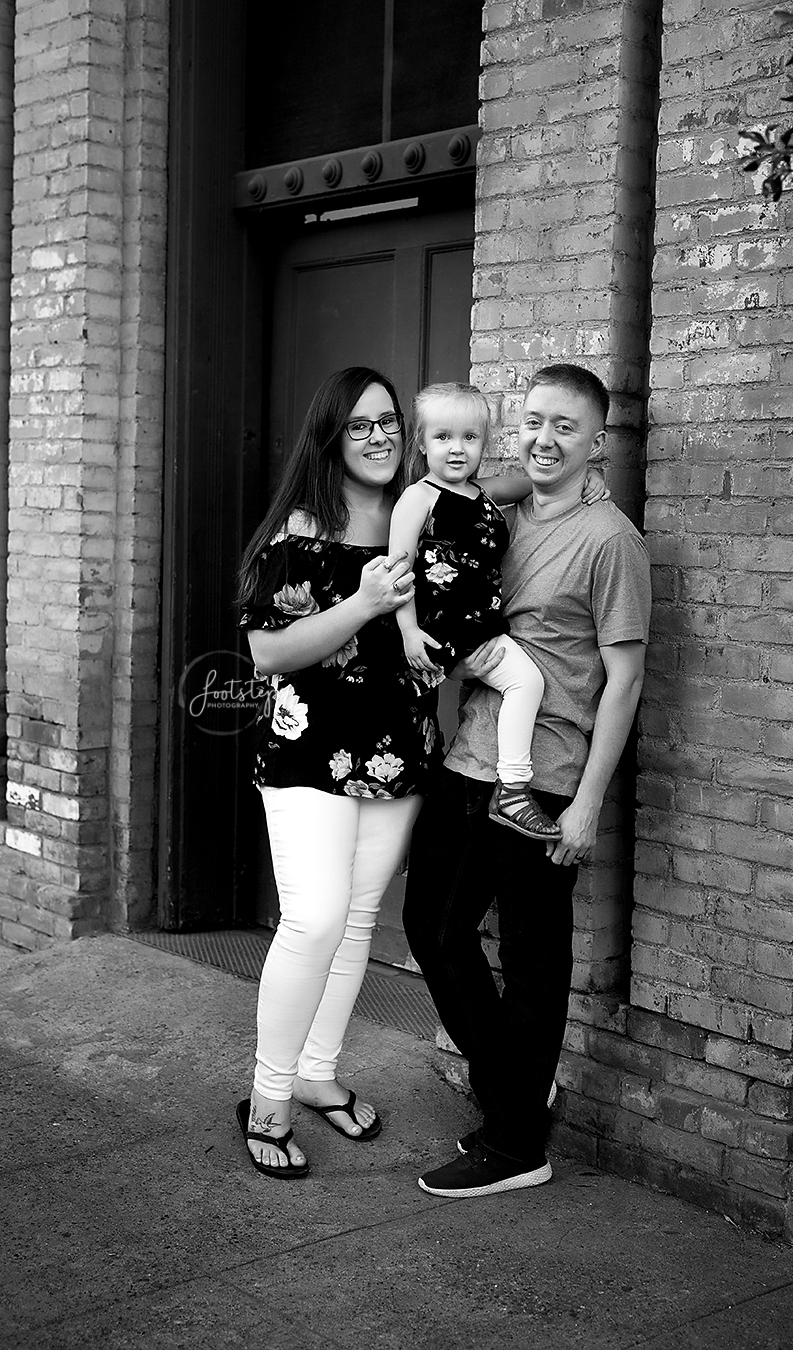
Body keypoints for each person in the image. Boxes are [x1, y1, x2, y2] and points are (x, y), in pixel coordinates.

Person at [403, 363, 652, 1198]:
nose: (546, 440)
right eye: (535, 422)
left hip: (543, 779)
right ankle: (515, 1083)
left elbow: (624, 680)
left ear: (597, 440)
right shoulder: (499, 511)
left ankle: (515, 1144)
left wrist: (587, 804)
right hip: (466, 756)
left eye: (566, 428)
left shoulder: (611, 541)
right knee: (432, 929)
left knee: (534, 961)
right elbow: (455, 487)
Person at [235, 366, 439, 1178]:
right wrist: (363, 602)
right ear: (331, 437)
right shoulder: (300, 531)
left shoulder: (418, 518)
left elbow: (495, 475)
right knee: (313, 920)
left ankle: (318, 1072)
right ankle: (268, 1096)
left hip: (399, 751)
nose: (381, 435)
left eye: (391, 420)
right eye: (361, 425)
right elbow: (267, 652)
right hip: (308, 753)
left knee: (356, 921)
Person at [388, 381, 607, 841]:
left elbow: (539, 478)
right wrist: (408, 631)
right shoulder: (418, 498)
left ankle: (508, 785)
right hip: (447, 628)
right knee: (527, 681)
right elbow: (397, 571)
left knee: (522, 682)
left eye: (470, 438)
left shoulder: (481, 492)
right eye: (443, 437)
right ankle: (513, 786)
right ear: (422, 443)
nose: (456, 449)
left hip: (481, 625)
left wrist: (589, 475)